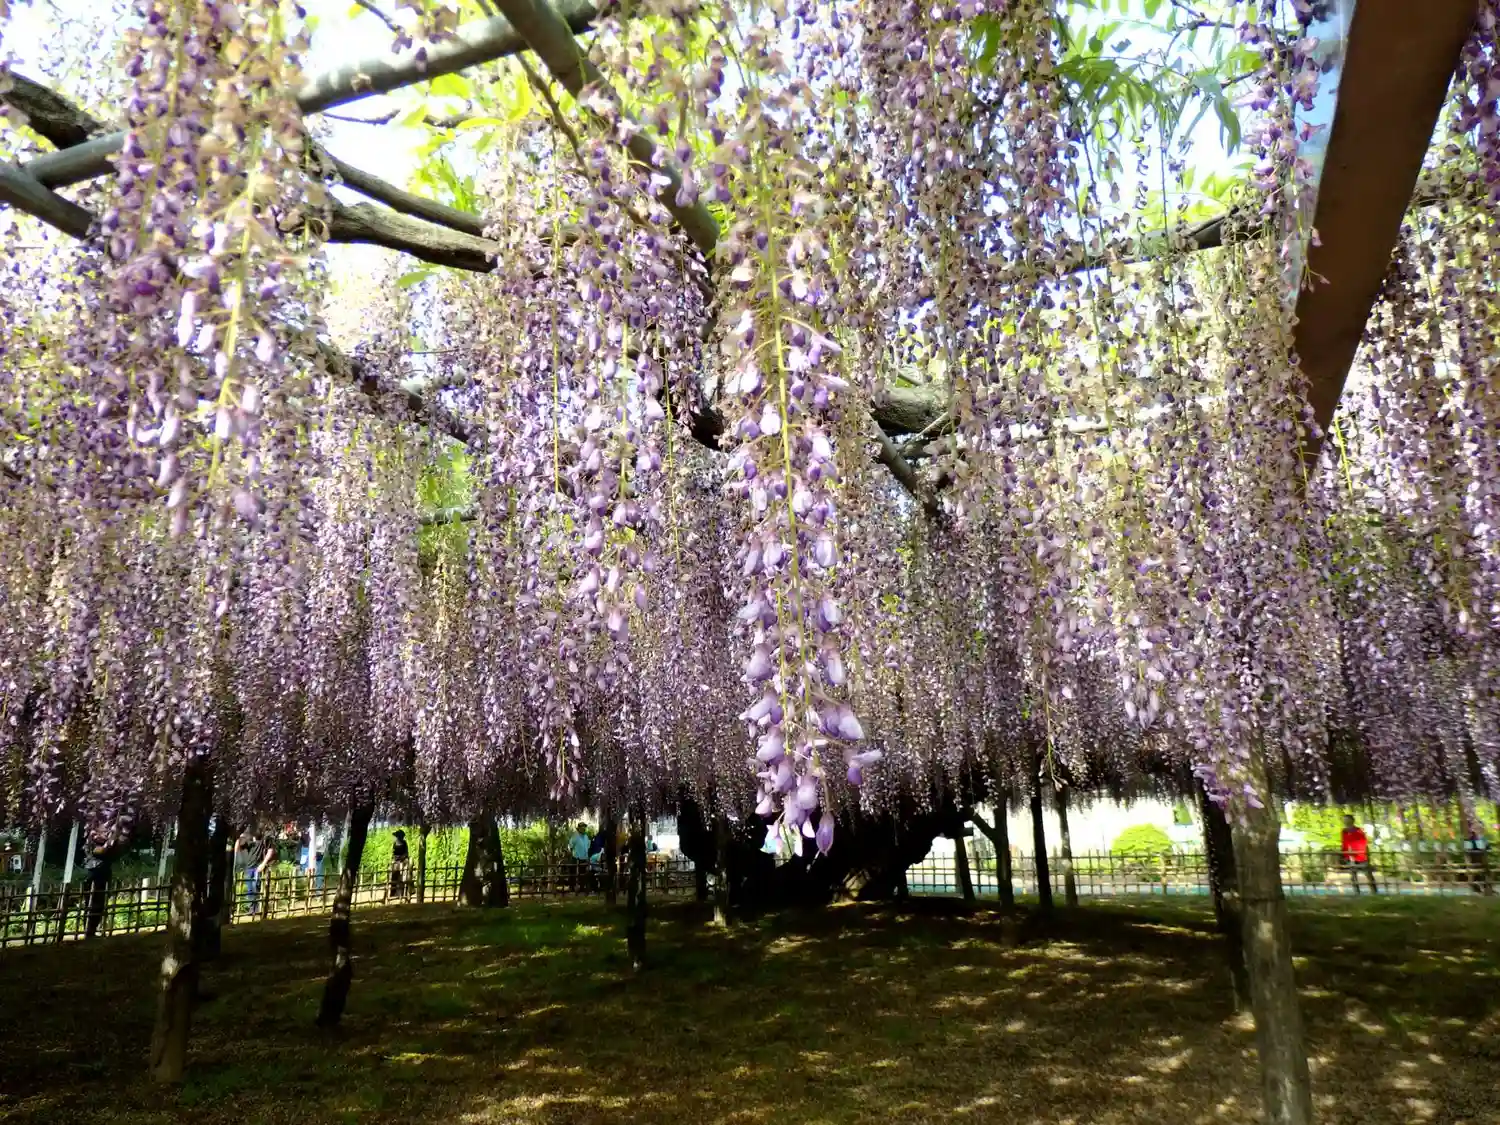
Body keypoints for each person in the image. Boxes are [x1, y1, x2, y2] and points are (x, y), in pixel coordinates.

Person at [82, 831, 114, 939]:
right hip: (95, 882)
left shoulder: (104, 857)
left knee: (98, 907)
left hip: (101, 883)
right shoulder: (92, 849)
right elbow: (99, 851)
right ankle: (89, 931)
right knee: (91, 907)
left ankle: (91, 930)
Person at [1340, 815, 1377, 894]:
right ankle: (1357, 892)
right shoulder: (1344, 831)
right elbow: (1344, 843)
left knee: (1368, 874)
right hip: (1350, 856)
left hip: (1361, 856)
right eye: (1344, 820)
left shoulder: (1359, 830)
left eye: (1347, 820)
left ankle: (1374, 892)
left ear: (1352, 820)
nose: (1345, 821)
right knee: (1353, 876)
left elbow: (1363, 842)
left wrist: (1361, 853)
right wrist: (1344, 854)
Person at [568, 823, 592, 890]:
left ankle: (582, 887)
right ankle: (571, 887)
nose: (584, 829)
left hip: (584, 858)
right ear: (579, 828)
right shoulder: (575, 836)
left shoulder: (586, 837)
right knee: (573, 873)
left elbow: (588, 847)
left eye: (584, 827)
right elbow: (570, 845)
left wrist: (588, 857)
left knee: (583, 873)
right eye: (582, 827)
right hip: (576, 857)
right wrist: (571, 853)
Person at [389, 829, 410, 901]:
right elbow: (393, 852)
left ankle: (406, 891)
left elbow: (406, 853)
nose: (398, 837)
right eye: (398, 836)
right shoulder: (395, 843)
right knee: (393, 873)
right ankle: (393, 892)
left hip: (403, 860)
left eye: (399, 836)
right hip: (396, 860)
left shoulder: (404, 843)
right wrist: (394, 857)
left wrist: (402, 857)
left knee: (407, 873)